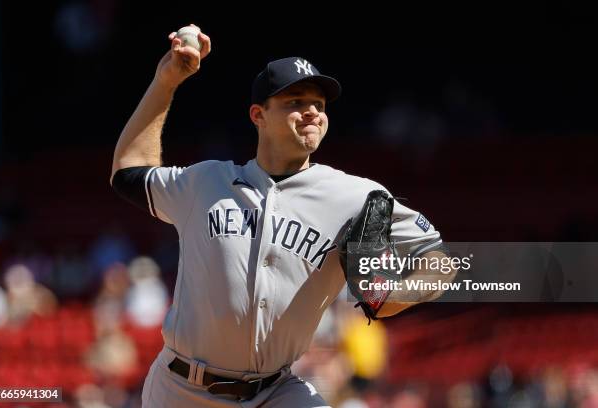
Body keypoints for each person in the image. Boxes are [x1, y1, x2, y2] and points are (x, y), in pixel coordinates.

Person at [110, 23, 451, 408]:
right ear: (258, 114)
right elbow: (127, 172)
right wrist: (166, 80)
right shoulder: (207, 182)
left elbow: (438, 260)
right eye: (295, 102)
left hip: (275, 391)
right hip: (181, 390)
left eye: (319, 105)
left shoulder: (355, 197)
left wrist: (397, 292)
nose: (311, 112)